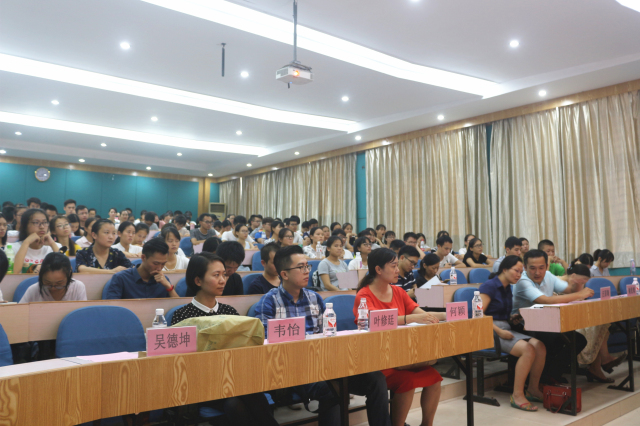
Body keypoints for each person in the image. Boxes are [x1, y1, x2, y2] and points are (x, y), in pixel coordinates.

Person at [256, 245, 392, 426]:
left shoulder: (314, 298)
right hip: (292, 367)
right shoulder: (269, 301)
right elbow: (265, 343)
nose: (307, 271)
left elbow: (327, 334)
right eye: (300, 267)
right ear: (284, 274)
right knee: (331, 390)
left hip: (324, 361)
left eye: (307, 266)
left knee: (376, 379)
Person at [169, 252, 280, 426]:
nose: (223, 280)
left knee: (249, 395)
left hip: (235, 378)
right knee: (237, 403)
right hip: (202, 383)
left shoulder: (229, 312)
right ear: (198, 281)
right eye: (216, 275)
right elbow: (181, 363)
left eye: (224, 275)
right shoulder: (183, 316)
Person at [354, 248, 444, 426]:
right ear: (378, 269)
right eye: (393, 266)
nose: (398, 270)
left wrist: (447, 315)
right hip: (378, 359)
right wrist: (410, 318)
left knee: (434, 378)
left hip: (403, 356)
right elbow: (375, 321)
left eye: (397, 266)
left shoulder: (398, 291)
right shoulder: (363, 295)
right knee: (407, 382)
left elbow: (421, 314)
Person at [512, 250, 593, 384]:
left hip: (546, 322)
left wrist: (577, 282)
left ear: (546, 266)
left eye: (541, 268)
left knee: (578, 340)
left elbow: (570, 290)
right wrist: (579, 294)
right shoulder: (522, 281)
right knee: (553, 340)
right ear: (525, 267)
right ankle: (545, 378)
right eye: (532, 268)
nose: (537, 272)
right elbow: (545, 300)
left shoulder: (548, 276)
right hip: (523, 324)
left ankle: (551, 375)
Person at [478, 255, 546, 411]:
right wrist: (500, 332)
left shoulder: (508, 287)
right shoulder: (489, 286)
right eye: (516, 271)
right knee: (528, 349)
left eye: (521, 272)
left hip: (504, 328)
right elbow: (478, 315)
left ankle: (533, 389)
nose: (519, 275)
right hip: (489, 330)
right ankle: (517, 395)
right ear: (504, 269)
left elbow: (501, 314)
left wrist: (512, 318)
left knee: (539, 346)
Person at [557, 264, 624, 382]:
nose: (583, 283)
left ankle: (598, 366)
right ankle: (601, 363)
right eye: (582, 280)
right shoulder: (557, 283)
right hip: (562, 320)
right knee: (596, 326)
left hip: (575, 317)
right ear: (573, 275)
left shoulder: (576, 284)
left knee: (600, 323)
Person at [105, 239, 178, 299]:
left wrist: (169, 287)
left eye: (163, 264)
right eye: (156, 263)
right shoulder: (121, 278)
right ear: (143, 258)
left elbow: (178, 309)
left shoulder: (164, 281)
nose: (159, 268)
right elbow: (112, 308)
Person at [19, 253, 87, 302]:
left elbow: (81, 315)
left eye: (59, 284)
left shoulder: (77, 287)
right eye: (47, 283)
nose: (53, 288)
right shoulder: (33, 290)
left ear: (69, 274)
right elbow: (21, 313)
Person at [13, 209, 61, 273]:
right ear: (25, 226)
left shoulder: (56, 247)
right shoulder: (12, 248)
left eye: (45, 222)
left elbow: (67, 271)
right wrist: (26, 243)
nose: (42, 227)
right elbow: (14, 273)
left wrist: (52, 244)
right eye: (36, 222)